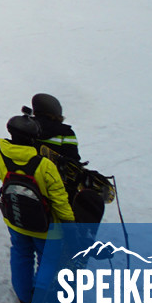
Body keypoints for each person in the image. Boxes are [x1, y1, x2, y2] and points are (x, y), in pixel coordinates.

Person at [0, 113, 74, 303]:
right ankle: (41, 296)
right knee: (48, 259)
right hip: (45, 226)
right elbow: (59, 199)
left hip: (16, 219)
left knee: (21, 253)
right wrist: (69, 223)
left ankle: (24, 296)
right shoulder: (45, 165)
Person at [24, 93, 106, 224]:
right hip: (57, 184)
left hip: (29, 181)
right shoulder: (66, 133)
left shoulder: (25, 127)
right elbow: (72, 160)